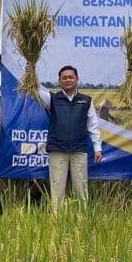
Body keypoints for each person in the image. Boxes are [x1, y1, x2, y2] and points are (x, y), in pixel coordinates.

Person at [38, 65, 102, 213]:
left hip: (79, 150)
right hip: (57, 150)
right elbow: (34, 90)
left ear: (77, 79)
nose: (68, 80)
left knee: (81, 186)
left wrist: (97, 148)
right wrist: (30, 70)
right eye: (64, 78)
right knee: (57, 186)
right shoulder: (52, 99)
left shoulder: (86, 100)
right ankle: (56, 220)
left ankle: (82, 218)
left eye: (71, 77)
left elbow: (93, 126)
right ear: (59, 81)